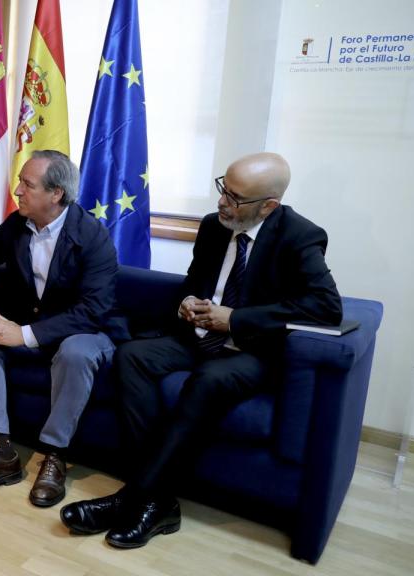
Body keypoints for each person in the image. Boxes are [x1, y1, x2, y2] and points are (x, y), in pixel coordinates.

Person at [59, 152, 342, 549]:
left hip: (252, 351)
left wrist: (236, 319)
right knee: (132, 356)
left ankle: (132, 497)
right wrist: (187, 301)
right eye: (223, 187)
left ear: (268, 206)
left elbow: (327, 308)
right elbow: (194, 281)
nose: (223, 201)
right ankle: (158, 503)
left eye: (236, 197)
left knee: (209, 380)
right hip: (197, 338)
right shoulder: (213, 227)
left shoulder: (300, 236)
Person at [0, 150, 127, 507]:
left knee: (75, 353)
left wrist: (24, 334)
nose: (18, 191)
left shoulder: (93, 237)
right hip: (29, 323)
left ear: (56, 194)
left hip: (86, 332)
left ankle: (55, 455)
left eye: (27, 185)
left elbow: (92, 311)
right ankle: (1, 454)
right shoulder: (18, 225)